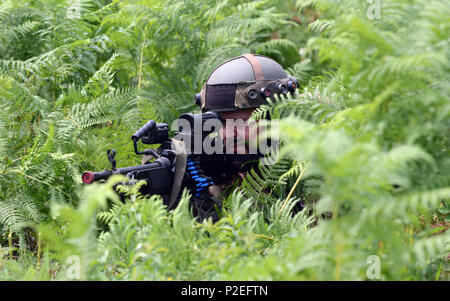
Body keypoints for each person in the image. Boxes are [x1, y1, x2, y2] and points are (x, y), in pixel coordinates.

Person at [170, 53, 299, 221]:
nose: (229, 133)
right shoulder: (213, 169)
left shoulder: (306, 175)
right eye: (221, 122)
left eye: (242, 122)